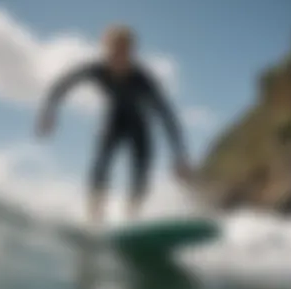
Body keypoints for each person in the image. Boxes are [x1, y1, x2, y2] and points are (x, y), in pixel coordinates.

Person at [36, 25, 191, 227]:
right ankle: (94, 218)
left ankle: (132, 218)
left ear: (131, 52)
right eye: (114, 50)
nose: (118, 56)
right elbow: (62, 84)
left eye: (124, 50)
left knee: (141, 171)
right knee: (100, 165)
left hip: (139, 126)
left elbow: (166, 115)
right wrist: (49, 112)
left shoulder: (143, 79)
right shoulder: (97, 70)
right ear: (106, 49)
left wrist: (179, 155)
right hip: (114, 121)